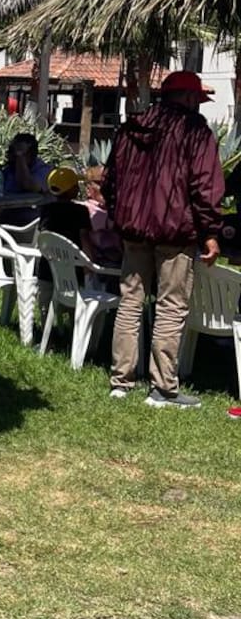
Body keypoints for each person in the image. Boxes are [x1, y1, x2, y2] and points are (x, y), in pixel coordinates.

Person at [104, 70, 224, 408]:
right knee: (171, 306)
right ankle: (162, 389)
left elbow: (110, 179)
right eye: (197, 99)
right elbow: (205, 187)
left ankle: (120, 382)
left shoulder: (131, 127)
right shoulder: (195, 131)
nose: (198, 106)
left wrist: (119, 216)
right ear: (187, 98)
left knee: (129, 301)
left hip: (133, 230)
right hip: (174, 232)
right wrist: (210, 232)